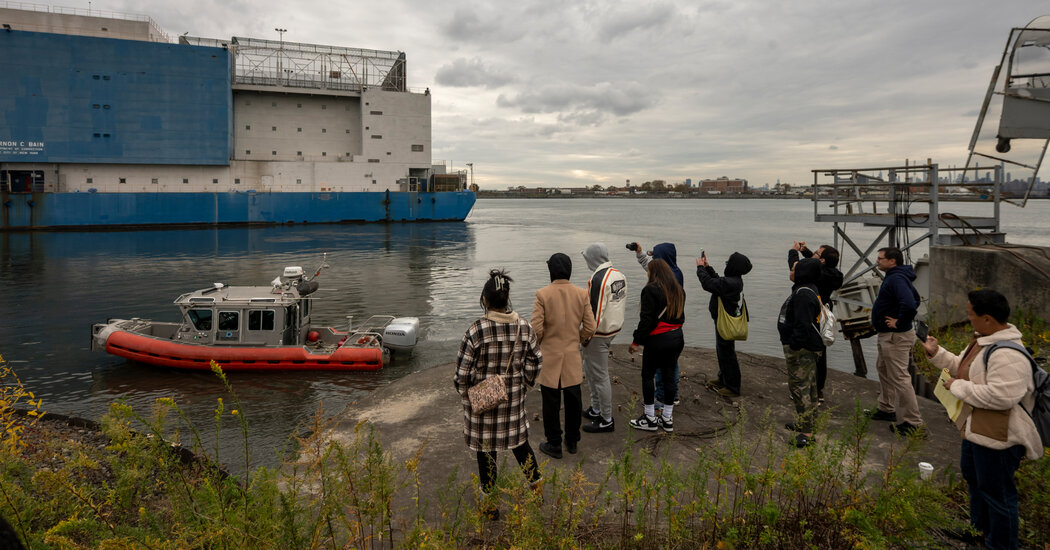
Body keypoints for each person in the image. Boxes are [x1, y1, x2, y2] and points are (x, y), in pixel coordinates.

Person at [921, 289, 1040, 550]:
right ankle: (978, 530)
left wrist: (957, 388)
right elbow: (962, 367)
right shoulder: (983, 340)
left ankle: (1000, 544)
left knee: (998, 495)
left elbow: (1002, 396)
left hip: (999, 437)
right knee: (976, 481)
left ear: (987, 318)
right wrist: (935, 352)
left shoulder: (1008, 354)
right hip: (977, 430)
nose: (968, 318)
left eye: (970, 314)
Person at [454, 269, 543, 519]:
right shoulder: (524, 327)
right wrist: (522, 385)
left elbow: (461, 375)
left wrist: (470, 395)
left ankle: (491, 508)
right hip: (513, 403)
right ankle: (537, 492)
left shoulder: (476, 331)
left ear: (486, 300)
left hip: (482, 408)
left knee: (486, 454)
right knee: (521, 447)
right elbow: (536, 361)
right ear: (506, 298)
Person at [531, 253, 596, 459]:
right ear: (569, 270)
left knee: (550, 403)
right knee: (573, 400)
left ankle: (554, 443)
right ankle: (572, 440)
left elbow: (536, 329)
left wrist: (542, 343)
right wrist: (579, 339)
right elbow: (590, 327)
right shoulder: (581, 294)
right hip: (571, 354)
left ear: (551, 270)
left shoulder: (542, 294)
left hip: (550, 355)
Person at [868, 246, 925, 436]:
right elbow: (916, 299)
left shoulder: (897, 278)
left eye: (880, 258)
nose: (877, 261)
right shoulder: (896, 277)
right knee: (883, 369)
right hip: (888, 335)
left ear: (892, 261)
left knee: (899, 377)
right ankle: (887, 408)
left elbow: (910, 304)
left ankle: (912, 422)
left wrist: (900, 321)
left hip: (895, 337)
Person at [627, 259, 685, 433]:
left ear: (654, 273)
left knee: (647, 376)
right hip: (676, 338)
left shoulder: (650, 290)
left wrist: (636, 341)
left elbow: (646, 320)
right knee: (669, 376)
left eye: (649, 271)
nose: (647, 273)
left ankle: (650, 418)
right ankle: (667, 419)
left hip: (658, 340)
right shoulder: (679, 290)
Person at [580, 243, 627, 433]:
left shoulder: (597, 279)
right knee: (591, 370)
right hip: (613, 329)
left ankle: (606, 418)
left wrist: (584, 336)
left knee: (599, 375)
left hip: (598, 334)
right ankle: (596, 408)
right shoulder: (619, 274)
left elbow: (594, 313)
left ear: (592, 258)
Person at [788, 242, 844, 402]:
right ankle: (818, 390)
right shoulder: (835, 275)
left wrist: (793, 251)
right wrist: (805, 251)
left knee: (805, 350)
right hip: (824, 312)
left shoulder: (816, 276)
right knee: (821, 352)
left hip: (810, 313)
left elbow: (797, 268)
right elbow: (814, 264)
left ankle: (805, 390)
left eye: (817, 254)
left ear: (823, 261)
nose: (814, 254)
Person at [777, 258, 824, 448]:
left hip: (802, 350)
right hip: (808, 348)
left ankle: (807, 432)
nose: (791, 271)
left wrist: (794, 346)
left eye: (795, 268)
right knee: (809, 387)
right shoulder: (808, 288)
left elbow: (803, 325)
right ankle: (807, 422)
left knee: (800, 387)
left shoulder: (803, 294)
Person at [696, 251, 753, 397]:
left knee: (727, 353)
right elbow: (717, 281)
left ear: (734, 266)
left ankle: (733, 387)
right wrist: (708, 268)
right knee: (722, 350)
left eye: (728, 262)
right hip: (723, 319)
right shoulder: (732, 280)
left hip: (725, 322)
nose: (726, 264)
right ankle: (723, 378)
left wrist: (700, 268)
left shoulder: (731, 282)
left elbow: (708, 284)